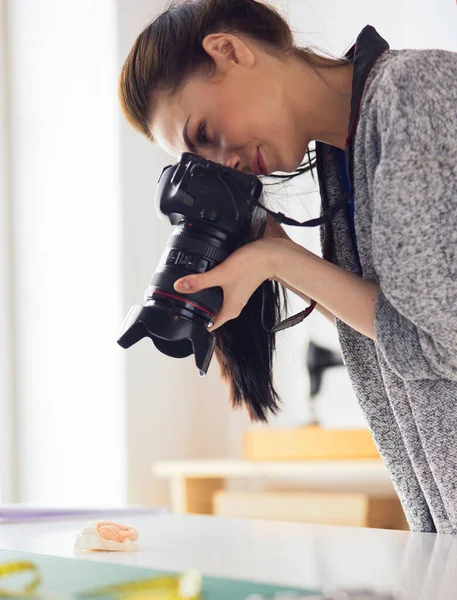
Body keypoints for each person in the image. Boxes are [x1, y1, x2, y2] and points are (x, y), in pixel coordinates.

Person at [118, 0, 457, 534]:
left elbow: (442, 343)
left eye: (204, 132)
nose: (222, 162)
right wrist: (274, 258)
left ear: (228, 50)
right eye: (201, 161)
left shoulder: (412, 93)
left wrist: (280, 258)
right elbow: (393, 334)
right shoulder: (342, 161)